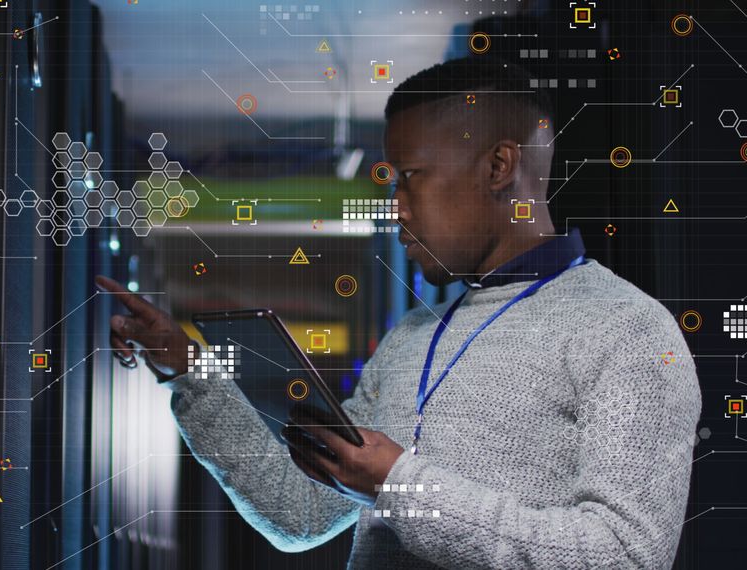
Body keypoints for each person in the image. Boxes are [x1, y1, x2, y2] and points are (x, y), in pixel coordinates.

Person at [97, 56, 701, 569]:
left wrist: (399, 485)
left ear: (498, 167)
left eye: (411, 178)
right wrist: (186, 372)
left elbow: (624, 555)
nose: (396, 208)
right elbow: (300, 514)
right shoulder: (413, 336)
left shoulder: (628, 330)